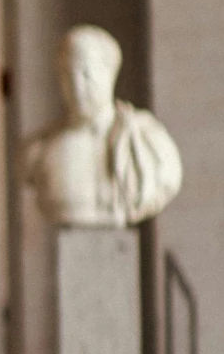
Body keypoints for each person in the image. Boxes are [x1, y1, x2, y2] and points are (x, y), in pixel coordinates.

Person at [22, 25, 182, 227]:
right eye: (67, 75)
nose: (77, 86)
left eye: (87, 74)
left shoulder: (149, 142)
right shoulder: (39, 151)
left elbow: (168, 181)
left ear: (109, 75)